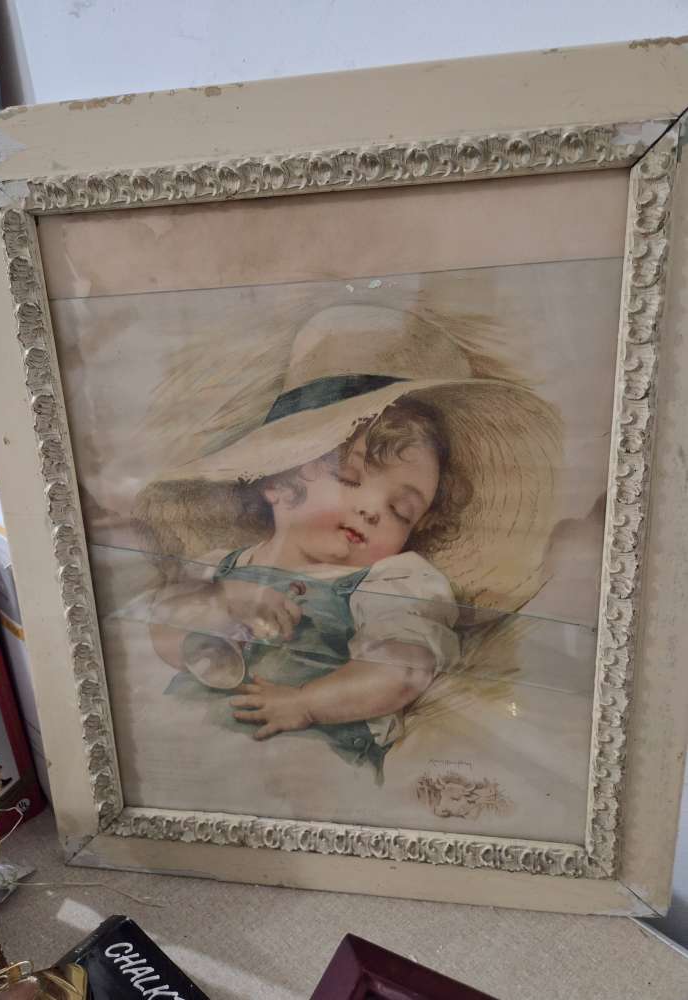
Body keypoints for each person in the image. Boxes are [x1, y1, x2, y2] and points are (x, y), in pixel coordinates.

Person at [135, 304, 561, 775]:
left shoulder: (394, 581)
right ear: (277, 481)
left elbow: (403, 669)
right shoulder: (219, 567)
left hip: (311, 769)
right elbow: (163, 634)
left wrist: (307, 703)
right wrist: (220, 602)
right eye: (351, 479)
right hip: (190, 758)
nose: (373, 509)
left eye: (401, 511)